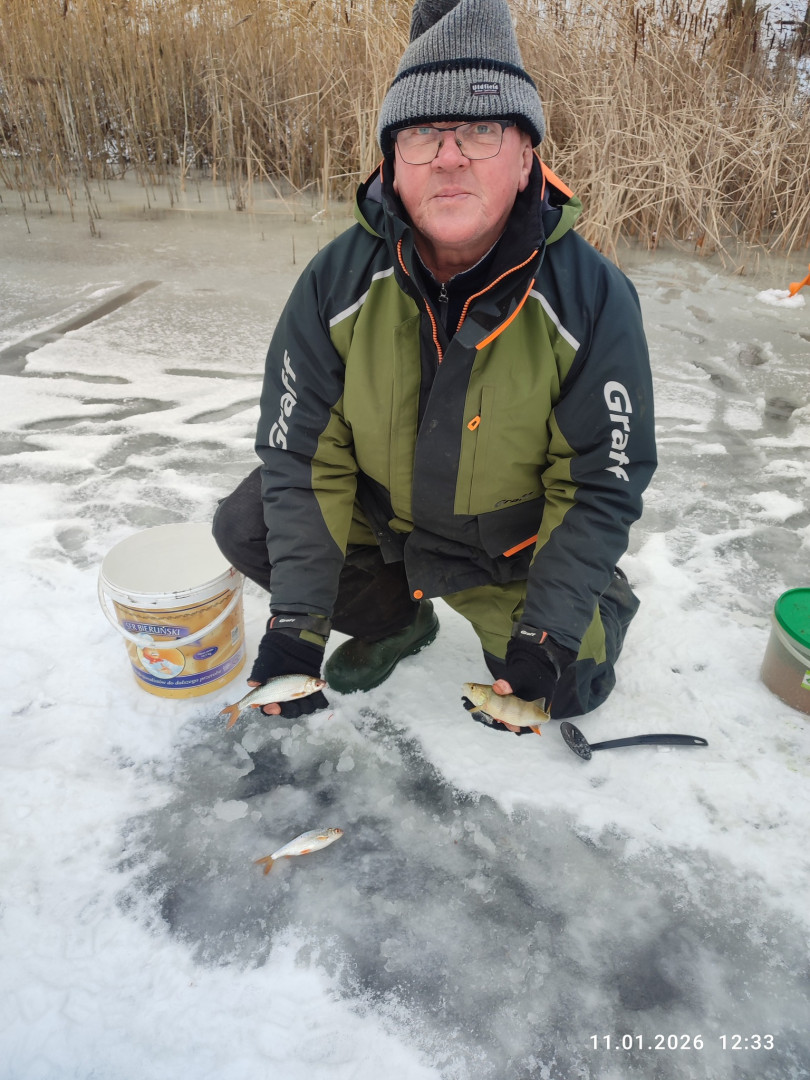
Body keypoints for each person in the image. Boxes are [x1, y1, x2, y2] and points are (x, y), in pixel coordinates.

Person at [212, 0, 657, 733]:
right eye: (421, 133)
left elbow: (600, 483)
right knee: (247, 522)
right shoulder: (337, 282)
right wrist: (296, 625)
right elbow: (302, 457)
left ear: (526, 156)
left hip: (506, 553)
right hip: (387, 526)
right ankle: (398, 620)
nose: (448, 157)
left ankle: (588, 596)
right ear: (393, 161)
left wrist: (546, 634)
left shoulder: (591, 299)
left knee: (570, 685)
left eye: (480, 130)